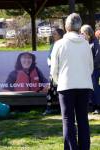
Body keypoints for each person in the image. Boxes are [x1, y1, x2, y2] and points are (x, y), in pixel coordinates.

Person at [50, 13, 93, 150]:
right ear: (79, 27)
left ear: (66, 27)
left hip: (66, 85)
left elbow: (54, 69)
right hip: (84, 85)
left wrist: (58, 81)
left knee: (68, 120)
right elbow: (90, 67)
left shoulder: (59, 44)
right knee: (83, 120)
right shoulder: (86, 44)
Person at [43, 28, 64, 115]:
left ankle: (62, 110)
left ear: (60, 35)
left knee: (60, 91)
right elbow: (49, 56)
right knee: (50, 91)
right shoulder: (53, 44)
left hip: (61, 72)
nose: (53, 35)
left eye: (55, 34)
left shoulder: (63, 44)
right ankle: (48, 108)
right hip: (52, 71)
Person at [81, 25, 100, 114]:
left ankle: (97, 106)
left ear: (88, 33)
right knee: (88, 87)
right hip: (86, 69)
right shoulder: (83, 42)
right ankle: (91, 105)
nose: (81, 34)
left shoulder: (95, 42)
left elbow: (97, 57)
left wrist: (90, 66)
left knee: (94, 87)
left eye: (82, 33)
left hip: (94, 69)